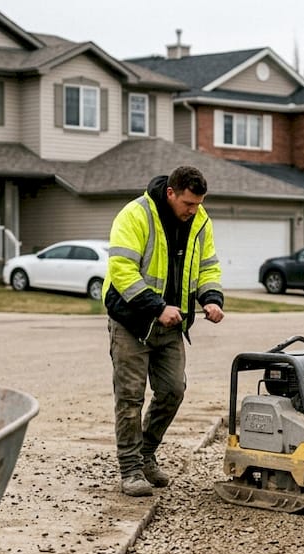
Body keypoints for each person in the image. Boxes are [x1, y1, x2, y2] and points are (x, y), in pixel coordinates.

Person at [103, 166, 225, 497]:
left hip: (172, 324)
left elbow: (208, 267)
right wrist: (157, 307)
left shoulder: (200, 221)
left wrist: (211, 299)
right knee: (130, 397)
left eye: (198, 204)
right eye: (188, 203)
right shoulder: (135, 215)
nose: (193, 210)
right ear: (171, 193)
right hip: (132, 321)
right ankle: (130, 468)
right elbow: (122, 270)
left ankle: (145, 454)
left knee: (173, 390)